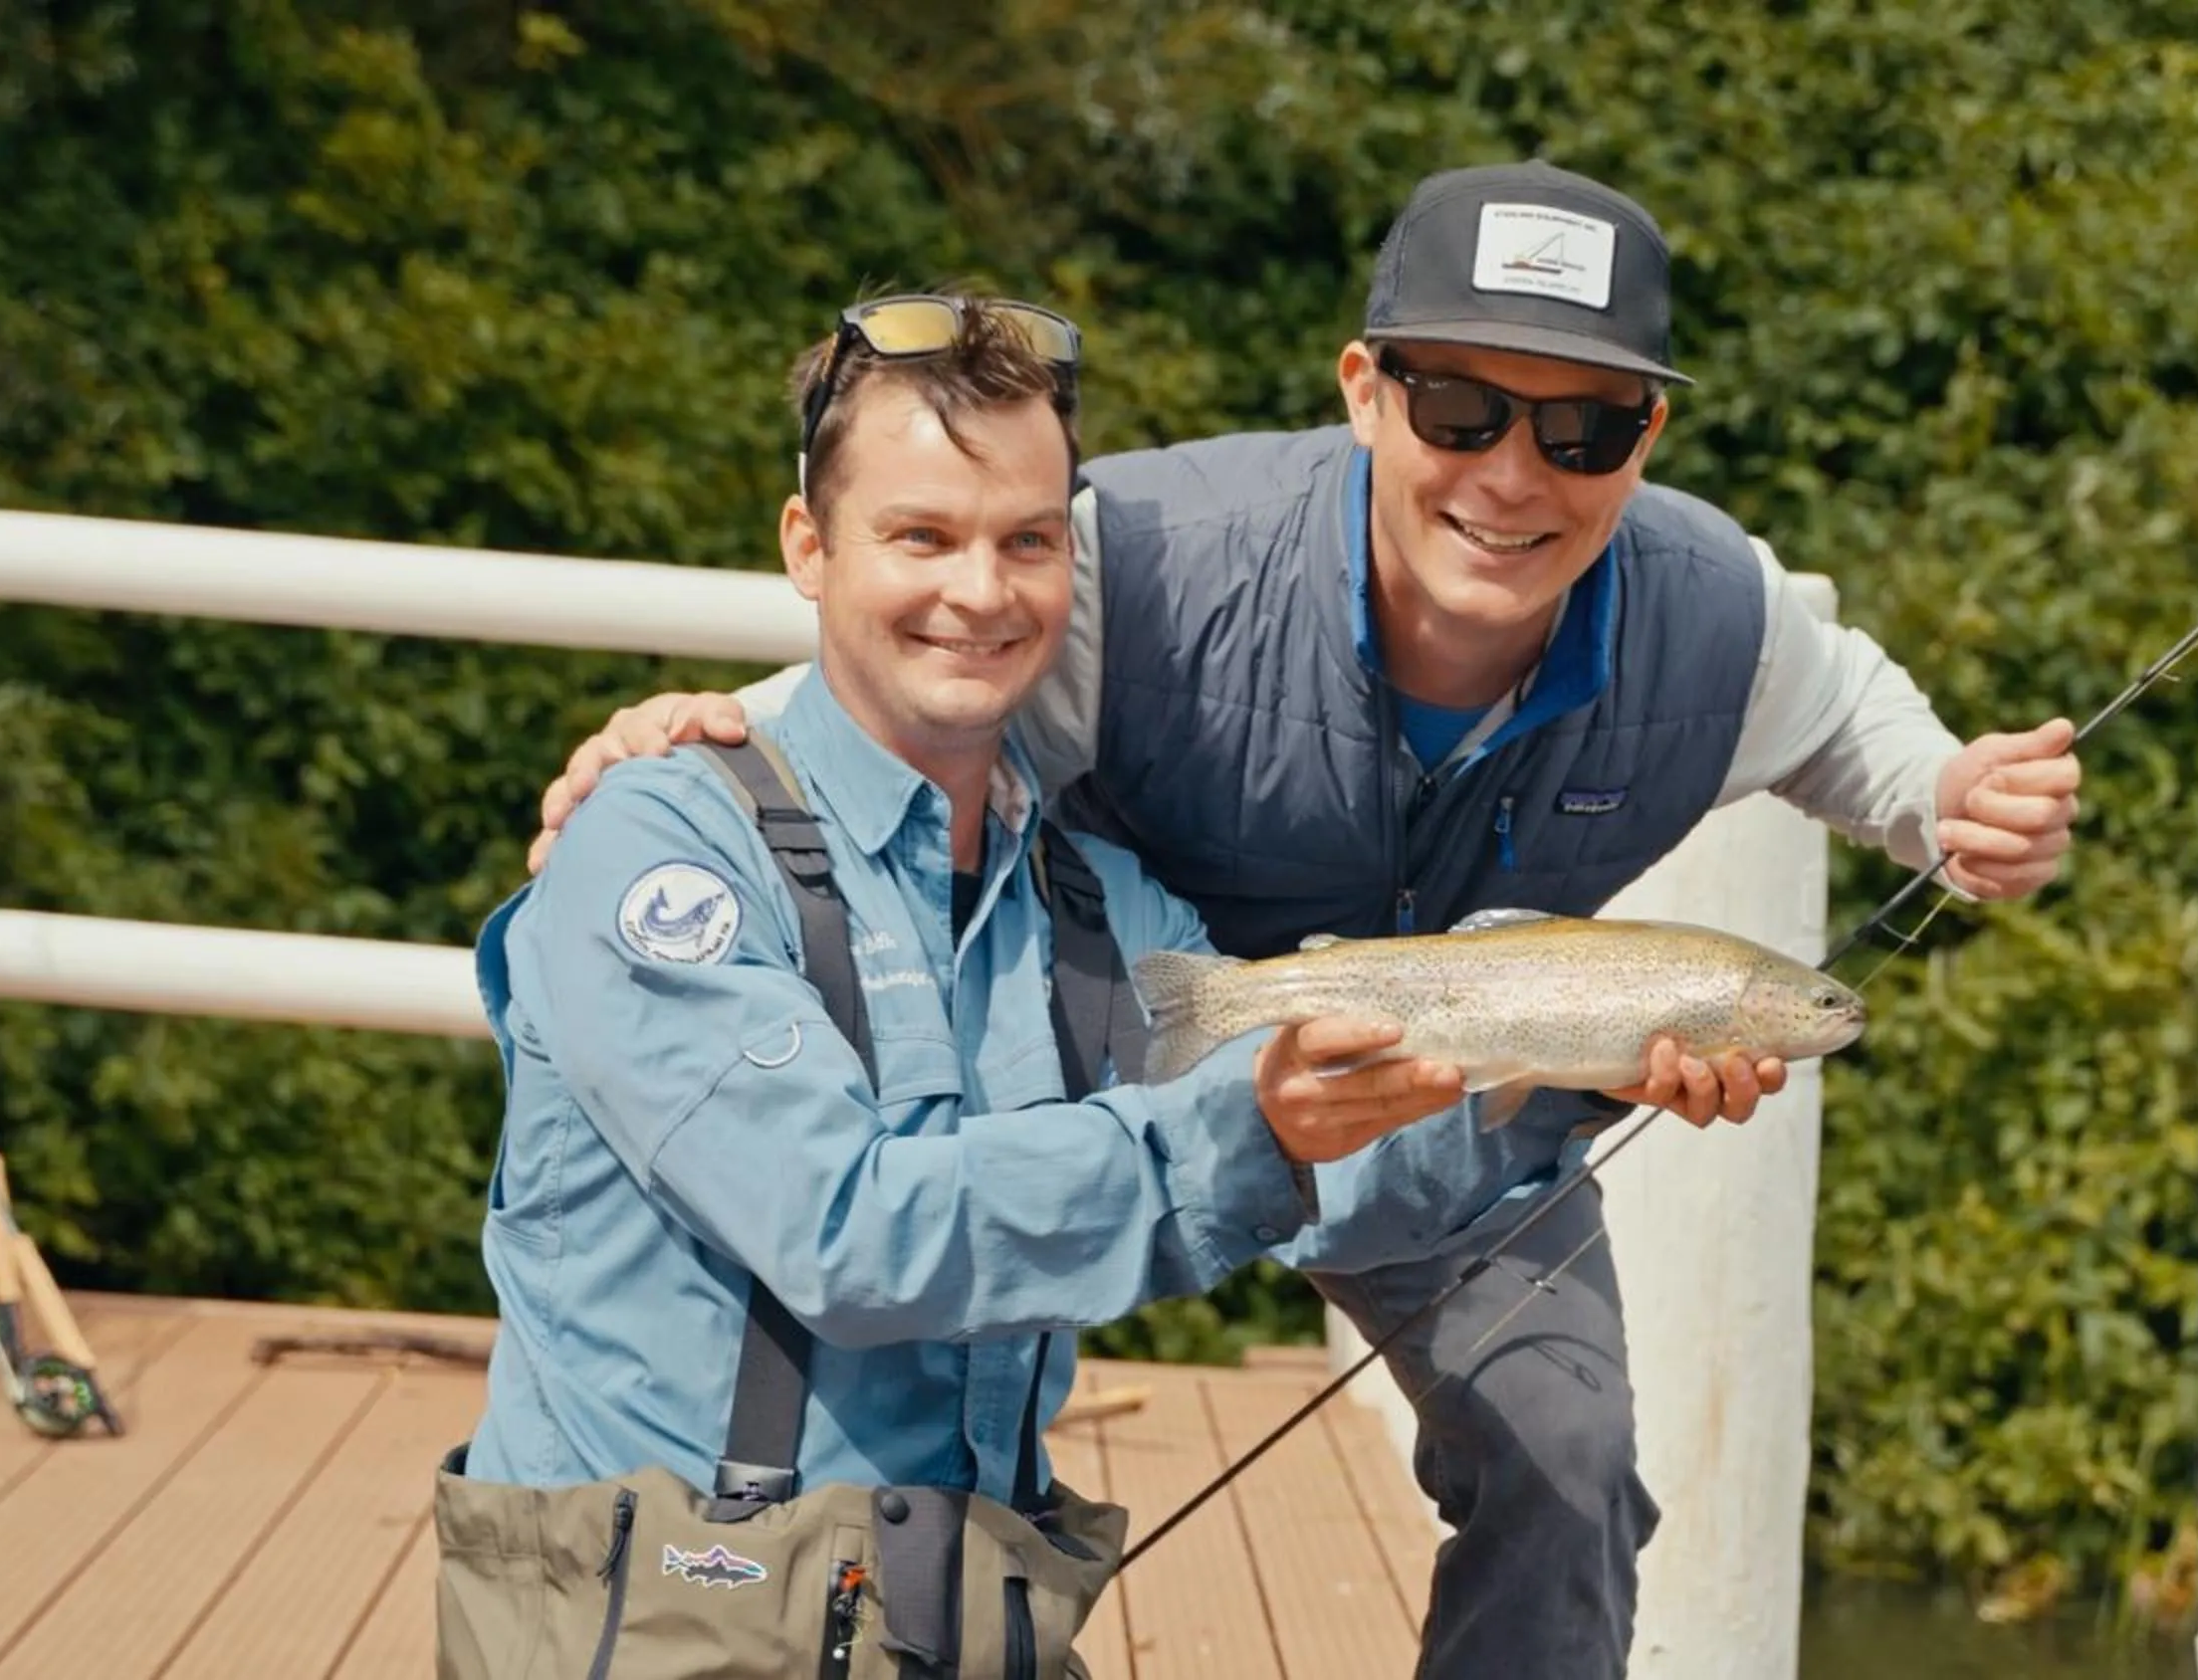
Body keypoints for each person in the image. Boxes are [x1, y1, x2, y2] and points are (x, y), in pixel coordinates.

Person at [527, 163, 2081, 1680]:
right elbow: (906, 677)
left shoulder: (1714, 608)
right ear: (1365, 391)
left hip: (1432, 1100)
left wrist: (1951, 793)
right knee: (900, 1346)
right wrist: (704, 746)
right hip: (1160, 1024)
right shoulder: (1129, 568)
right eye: (1459, 408)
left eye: (1583, 428)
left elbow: (1864, 725)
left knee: (1570, 1461)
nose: (1513, 474)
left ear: (1647, 438)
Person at [438, 292, 1616, 1677]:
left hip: (944, 1622)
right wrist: (1254, 1126)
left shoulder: (1094, 902)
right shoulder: (662, 845)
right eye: (921, 537)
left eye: (1029, 542)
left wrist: (1567, 1074)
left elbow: (1321, 1169)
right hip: (662, 1626)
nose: (982, 592)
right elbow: (845, 1237)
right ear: (808, 547)